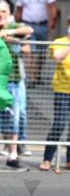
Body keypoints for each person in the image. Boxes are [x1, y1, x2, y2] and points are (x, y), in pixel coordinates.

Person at [0, 0, 33, 170]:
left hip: (14, 80)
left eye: (4, 11)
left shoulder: (14, 25)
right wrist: (11, 39)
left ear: (9, 13)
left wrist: (10, 35)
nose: (0, 14)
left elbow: (29, 30)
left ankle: (13, 155)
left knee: (15, 118)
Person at [15, 0, 58, 84]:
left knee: (41, 52)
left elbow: (52, 6)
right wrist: (16, 24)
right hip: (27, 25)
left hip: (42, 25)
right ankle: (32, 78)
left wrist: (53, 20)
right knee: (30, 52)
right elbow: (19, 10)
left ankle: (37, 75)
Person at [39, 17, 70, 171]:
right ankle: (47, 158)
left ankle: (69, 160)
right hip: (63, 89)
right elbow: (58, 56)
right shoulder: (60, 41)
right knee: (59, 124)